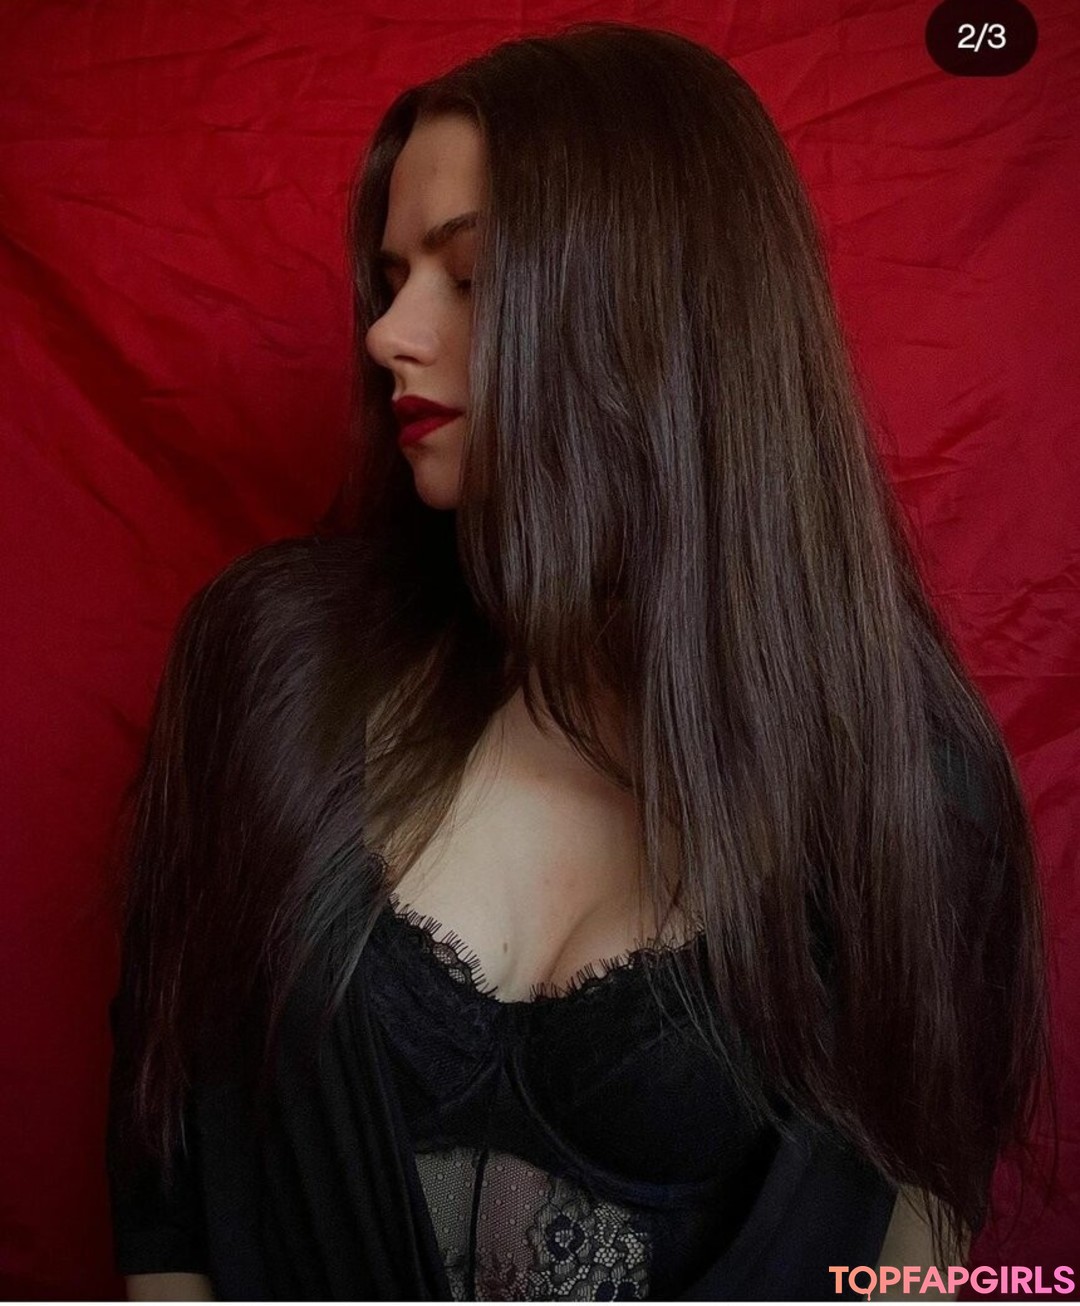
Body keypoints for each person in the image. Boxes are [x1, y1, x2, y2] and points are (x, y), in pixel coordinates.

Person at [106, 21, 1055, 1302]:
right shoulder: (268, 669)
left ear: (658, 314)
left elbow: (912, 1241)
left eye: (469, 275)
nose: (389, 333)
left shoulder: (912, 793)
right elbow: (168, 1179)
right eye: (391, 278)